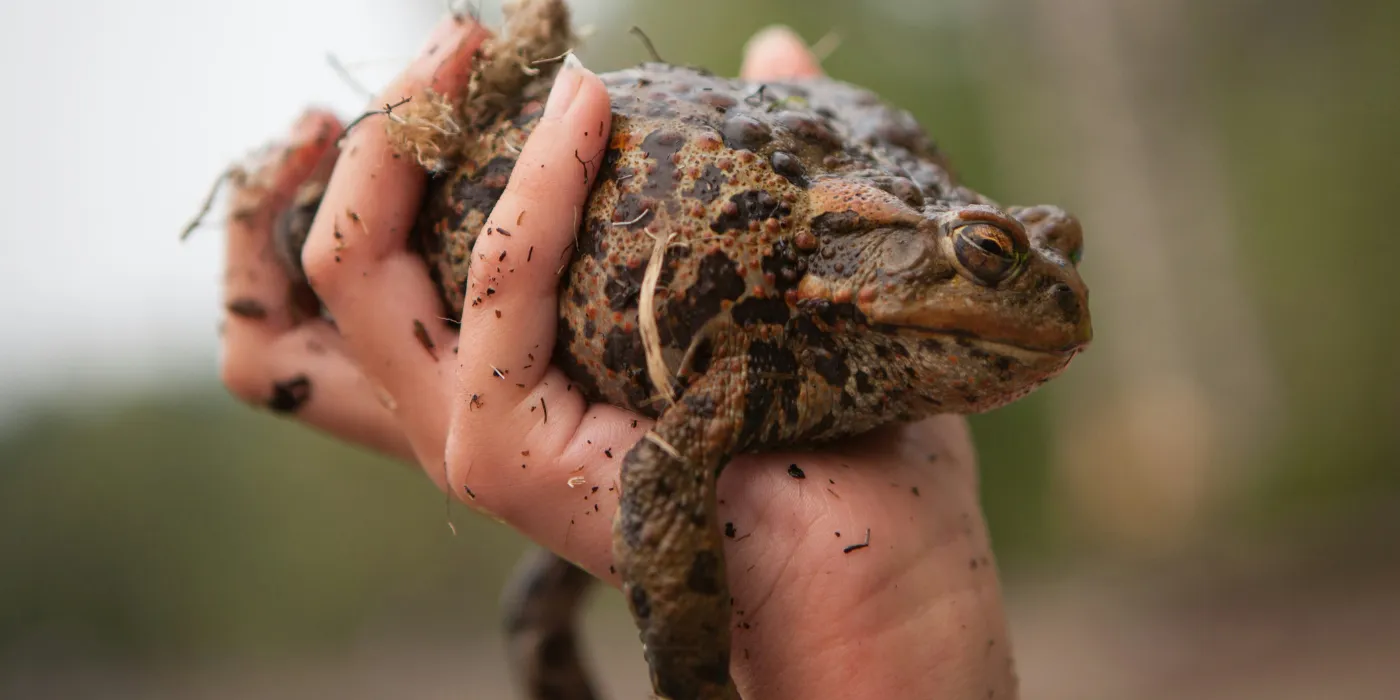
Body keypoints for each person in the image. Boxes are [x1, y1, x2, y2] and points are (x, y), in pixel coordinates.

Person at [217, 14, 1017, 700]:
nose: (1059, 291)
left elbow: (665, 476)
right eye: (992, 253)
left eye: (1052, 245)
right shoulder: (782, 351)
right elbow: (665, 476)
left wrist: (877, 618)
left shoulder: (834, 336)